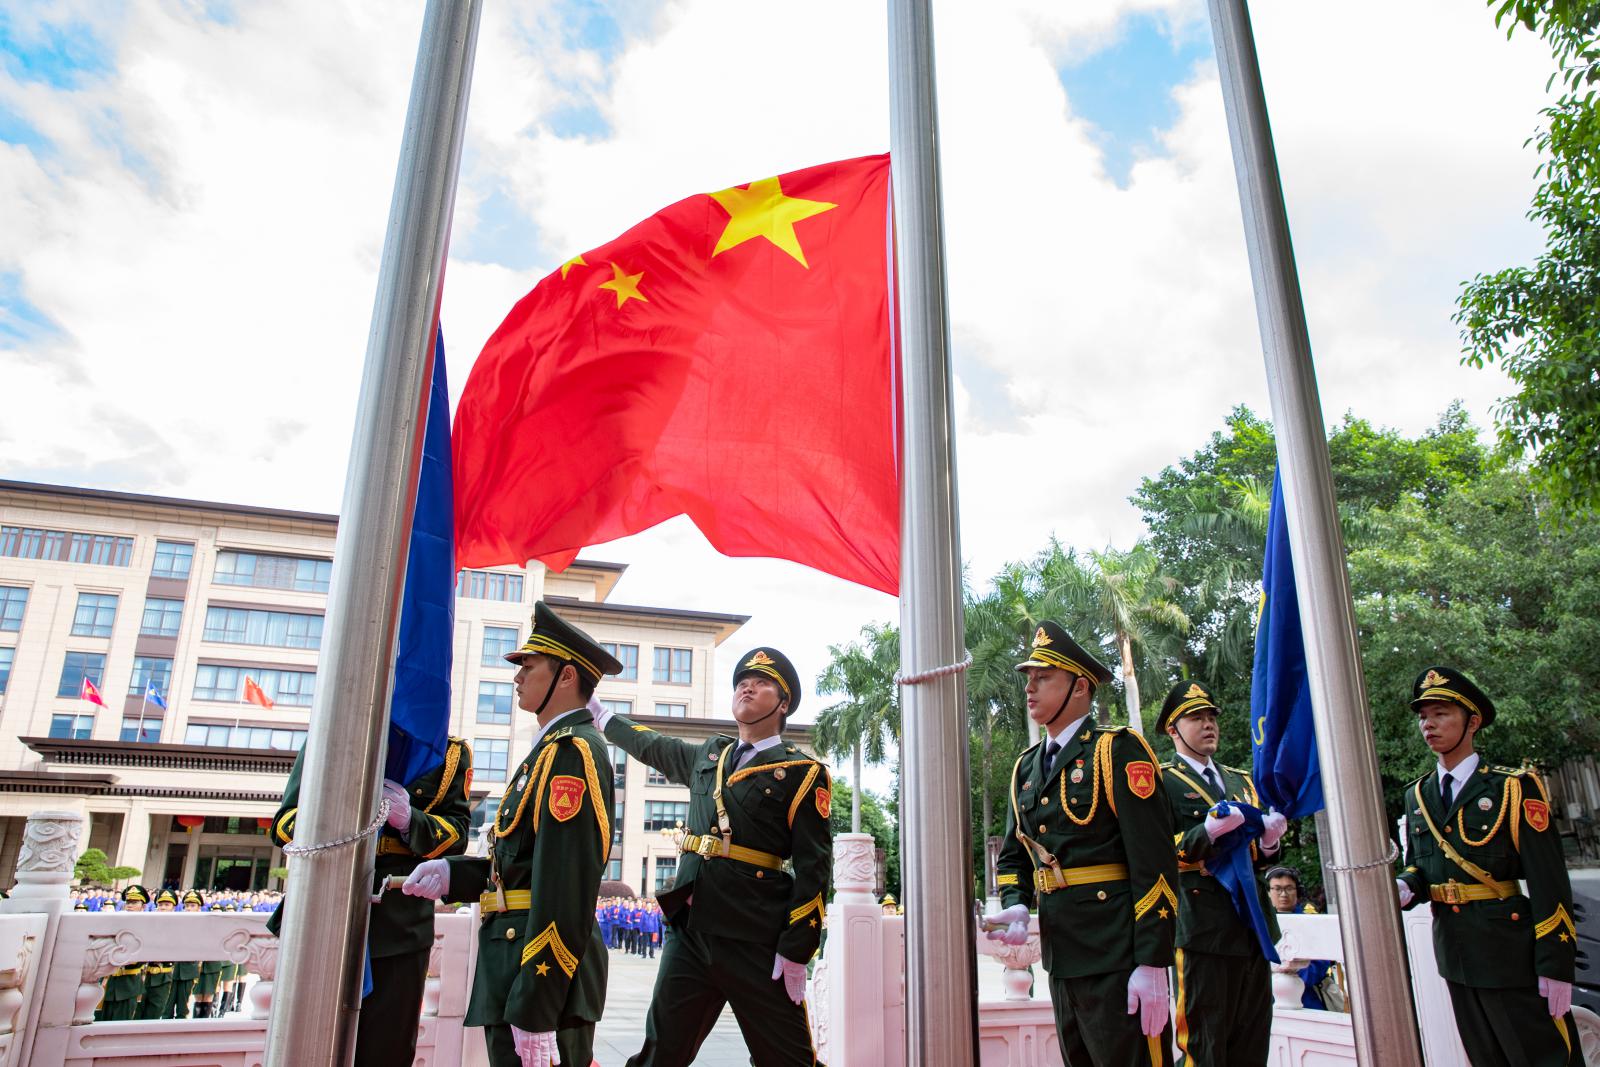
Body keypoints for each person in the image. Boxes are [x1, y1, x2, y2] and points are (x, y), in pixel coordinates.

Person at [594, 645, 832, 1067]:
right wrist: (601, 715)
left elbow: (814, 867)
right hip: (691, 929)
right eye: (742, 682)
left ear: (783, 703)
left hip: (754, 934)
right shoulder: (710, 756)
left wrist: (798, 948)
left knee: (788, 1060)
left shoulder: (802, 773)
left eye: (761, 683)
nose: (747, 688)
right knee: (660, 1055)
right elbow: (652, 745)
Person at [404, 601, 618, 1067]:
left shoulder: (572, 752)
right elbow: (524, 863)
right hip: (513, 963)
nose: (517, 677)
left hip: (539, 976)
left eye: (529, 666)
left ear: (566, 676)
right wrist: (453, 873)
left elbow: (566, 882)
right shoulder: (549, 751)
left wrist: (538, 1005)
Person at [987, 622, 1178, 1067]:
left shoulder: (1116, 751)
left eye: (1043, 677)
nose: (1030, 688)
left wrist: (1152, 962)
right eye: (1029, 678)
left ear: (1079, 687)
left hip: (1118, 955)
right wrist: (1017, 904)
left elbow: (1154, 860)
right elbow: (1015, 856)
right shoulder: (1026, 768)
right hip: (1062, 955)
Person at [1396, 666, 1580, 1066]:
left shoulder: (1512, 787)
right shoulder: (1418, 795)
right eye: (1423, 716)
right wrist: (1406, 886)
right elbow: (1422, 867)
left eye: (1441, 713)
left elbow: (1549, 880)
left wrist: (1556, 964)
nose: (1428, 724)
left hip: (1510, 954)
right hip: (1455, 955)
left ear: (1473, 722)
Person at [269, 725, 472, 1061]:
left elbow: (457, 834)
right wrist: (336, 815)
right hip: (323, 911)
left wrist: (410, 821)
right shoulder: (331, 730)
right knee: (308, 1044)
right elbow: (283, 823)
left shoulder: (448, 751)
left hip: (399, 923)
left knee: (386, 1050)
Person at [1154, 680, 1286, 1066]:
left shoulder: (1241, 781)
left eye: (1211, 716)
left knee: (1251, 1041)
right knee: (1204, 1045)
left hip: (1251, 926)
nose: (1208, 724)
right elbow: (1155, 851)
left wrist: (1269, 844)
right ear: (1173, 730)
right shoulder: (1162, 781)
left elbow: (1257, 858)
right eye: (1196, 718)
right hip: (1202, 928)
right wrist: (1206, 834)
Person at [1264, 866, 1340, 1011]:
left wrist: (1291, 972)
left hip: (1308, 998)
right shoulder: (1260, 923)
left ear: (1297, 891)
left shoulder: (1311, 921)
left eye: (1289, 888)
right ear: (1268, 892)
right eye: (1277, 889)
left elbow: (1320, 963)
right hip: (1268, 999)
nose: (1283, 894)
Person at [97, 885, 150, 1020]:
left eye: (134, 902)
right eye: (128, 902)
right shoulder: (117, 923)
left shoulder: (145, 927)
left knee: (121, 1022)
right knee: (103, 1020)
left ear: (143, 906)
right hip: (111, 980)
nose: (130, 905)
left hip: (129, 982)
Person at [137, 889, 180, 1020]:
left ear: (173, 907)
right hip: (144, 973)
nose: (163, 908)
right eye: (160, 904)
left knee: (154, 1012)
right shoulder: (149, 924)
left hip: (163, 975)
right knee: (137, 1012)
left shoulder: (177, 926)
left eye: (167, 905)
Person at [169, 890, 205, 1019]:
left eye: (192, 906)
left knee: (182, 1006)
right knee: (168, 1005)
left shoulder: (202, 925)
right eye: (187, 906)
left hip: (189, 967)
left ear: (199, 908)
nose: (189, 908)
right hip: (174, 967)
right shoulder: (178, 922)